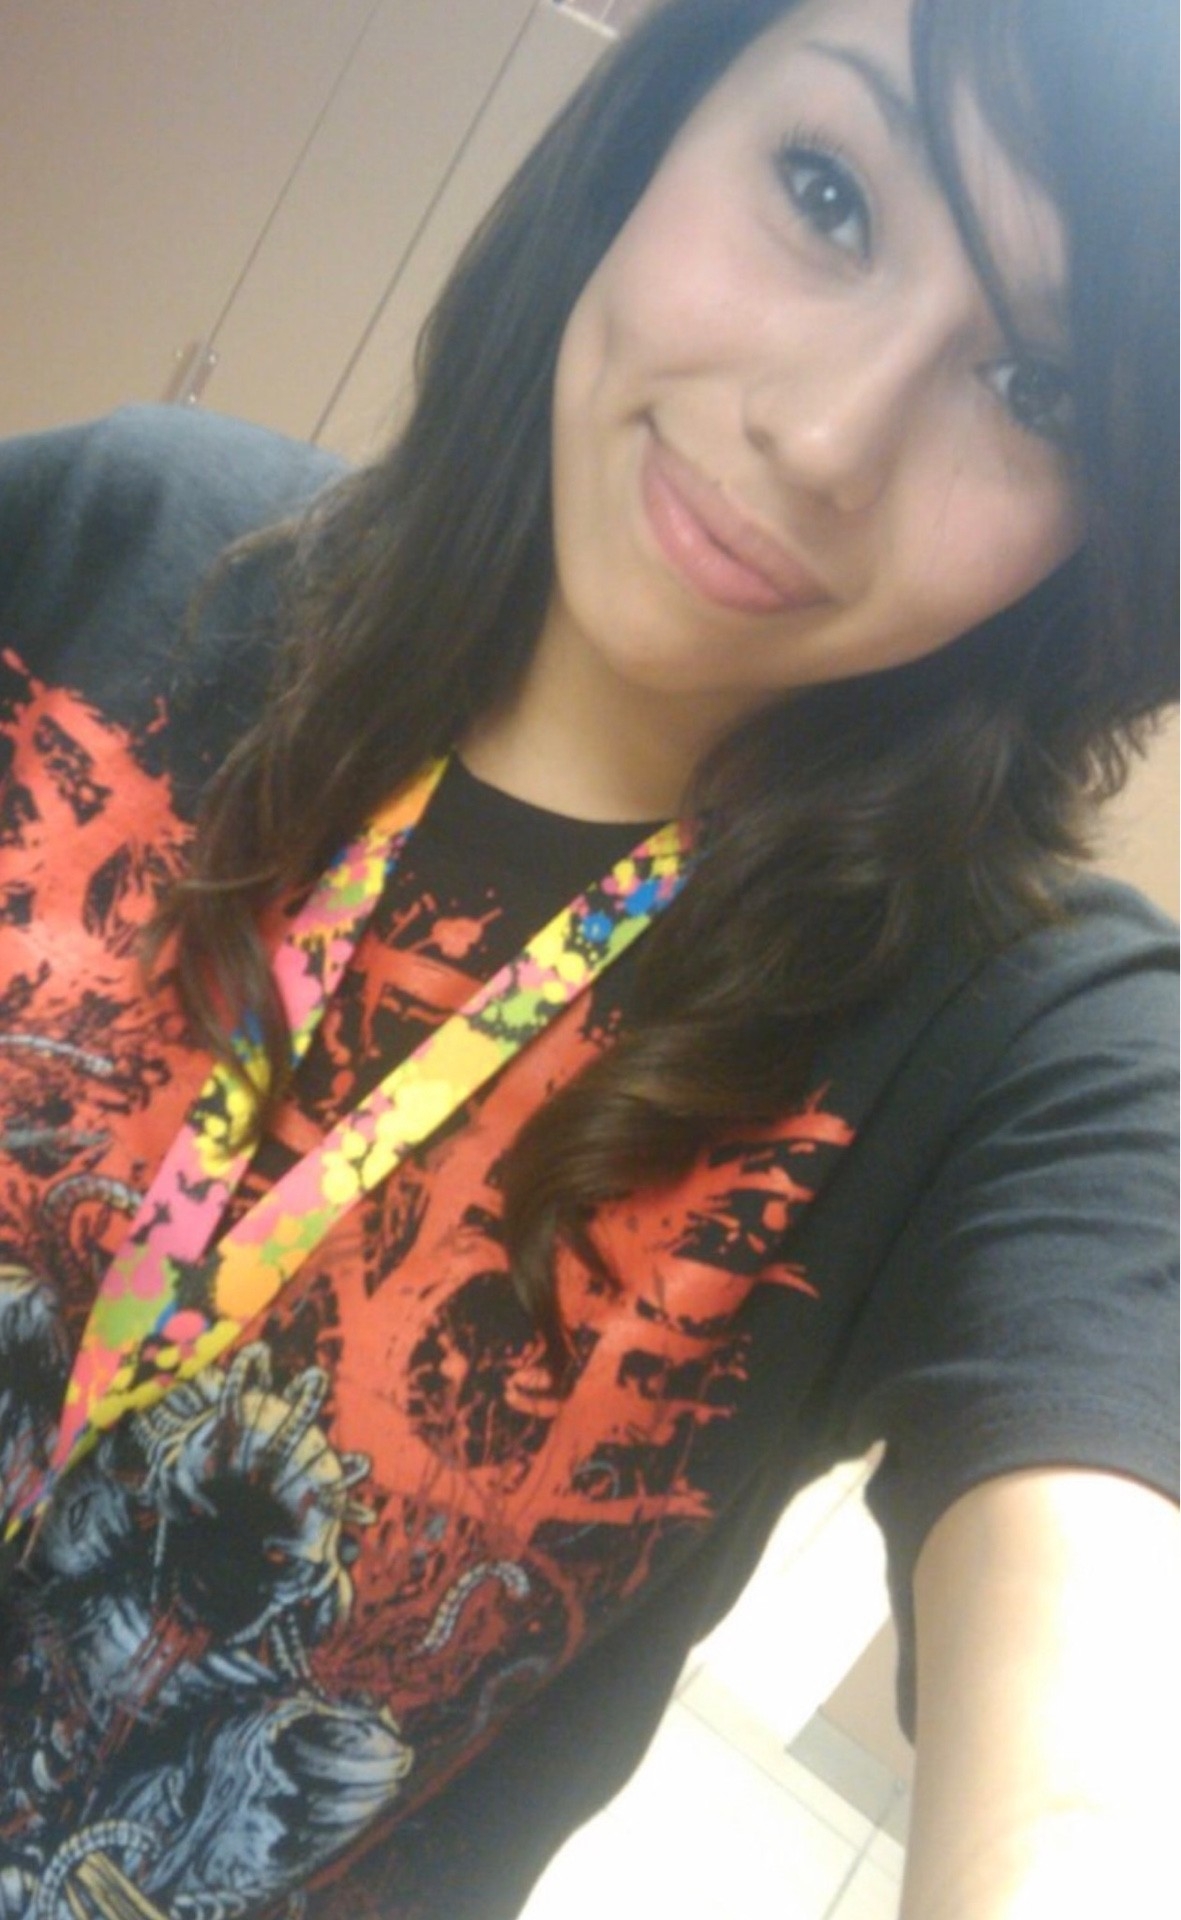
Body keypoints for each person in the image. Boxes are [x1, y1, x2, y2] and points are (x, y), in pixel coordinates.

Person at [0, 0, 1176, 1913]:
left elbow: (1086, 1798)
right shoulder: (104, 547)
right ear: (663, 111)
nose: (820, 437)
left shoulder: (1021, 1053)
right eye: (826, 193)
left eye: (1036, 388)